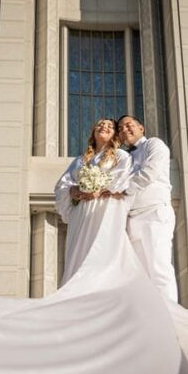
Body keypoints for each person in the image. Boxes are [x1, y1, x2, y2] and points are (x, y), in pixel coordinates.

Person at [54, 119, 133, 284]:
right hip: (81, 212)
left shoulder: (121, 156)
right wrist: (72, 190)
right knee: (78, 254)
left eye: (109, 126)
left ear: (115, 135)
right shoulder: (80, 160)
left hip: (105, 209)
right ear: (93, 132)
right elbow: (63, 184)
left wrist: (100, 189)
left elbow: (122, 180)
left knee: (101, 251)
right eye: (100, 124)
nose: (104, 126)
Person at [117, 115, 178, 303]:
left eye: (129, 125)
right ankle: (149, 316)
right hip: (132, 220)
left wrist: (122, 190)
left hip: (154, 213)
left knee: (159, 268)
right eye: (120, 128)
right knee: (141, 276)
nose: (124, 129)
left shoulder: (154, 144)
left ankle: (169, 315)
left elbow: (150, 172)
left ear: (141, 128)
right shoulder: (123, 158)